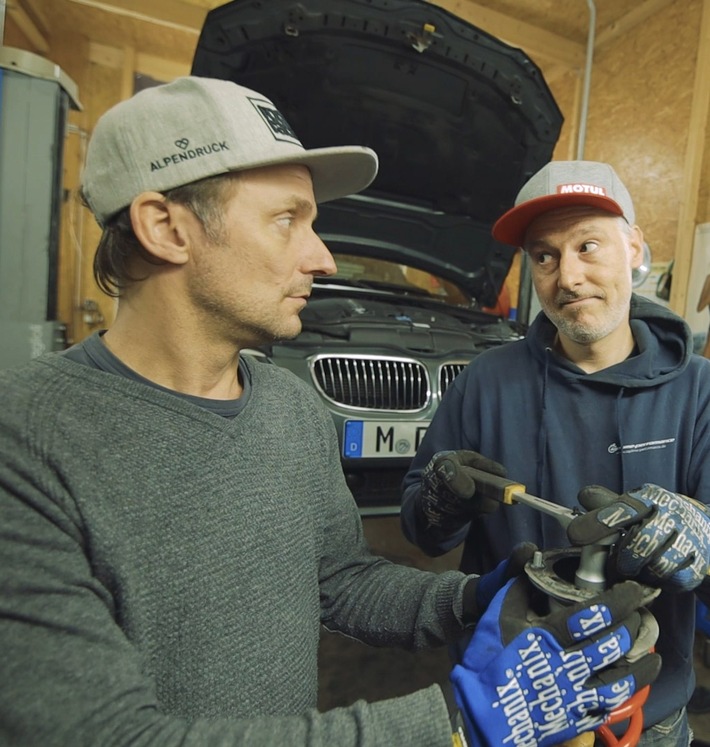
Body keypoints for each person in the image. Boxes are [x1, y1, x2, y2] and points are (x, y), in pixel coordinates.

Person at [0, 79, 659, 747]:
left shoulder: (288, 407)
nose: (322, 257)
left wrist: (473, 599)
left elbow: (340, 580)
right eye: (287, 219)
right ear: (167, 228)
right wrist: (458, 725)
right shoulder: (25, 439)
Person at [401, 159, 710, 746]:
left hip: (647, 719)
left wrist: (702, 538)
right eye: (544, 256)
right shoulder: (485, 381)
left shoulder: (699, 391)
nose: (567, 277)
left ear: (634, 248)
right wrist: (441, 500)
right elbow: (423, 533)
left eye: (588, 246)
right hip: (509, 714)